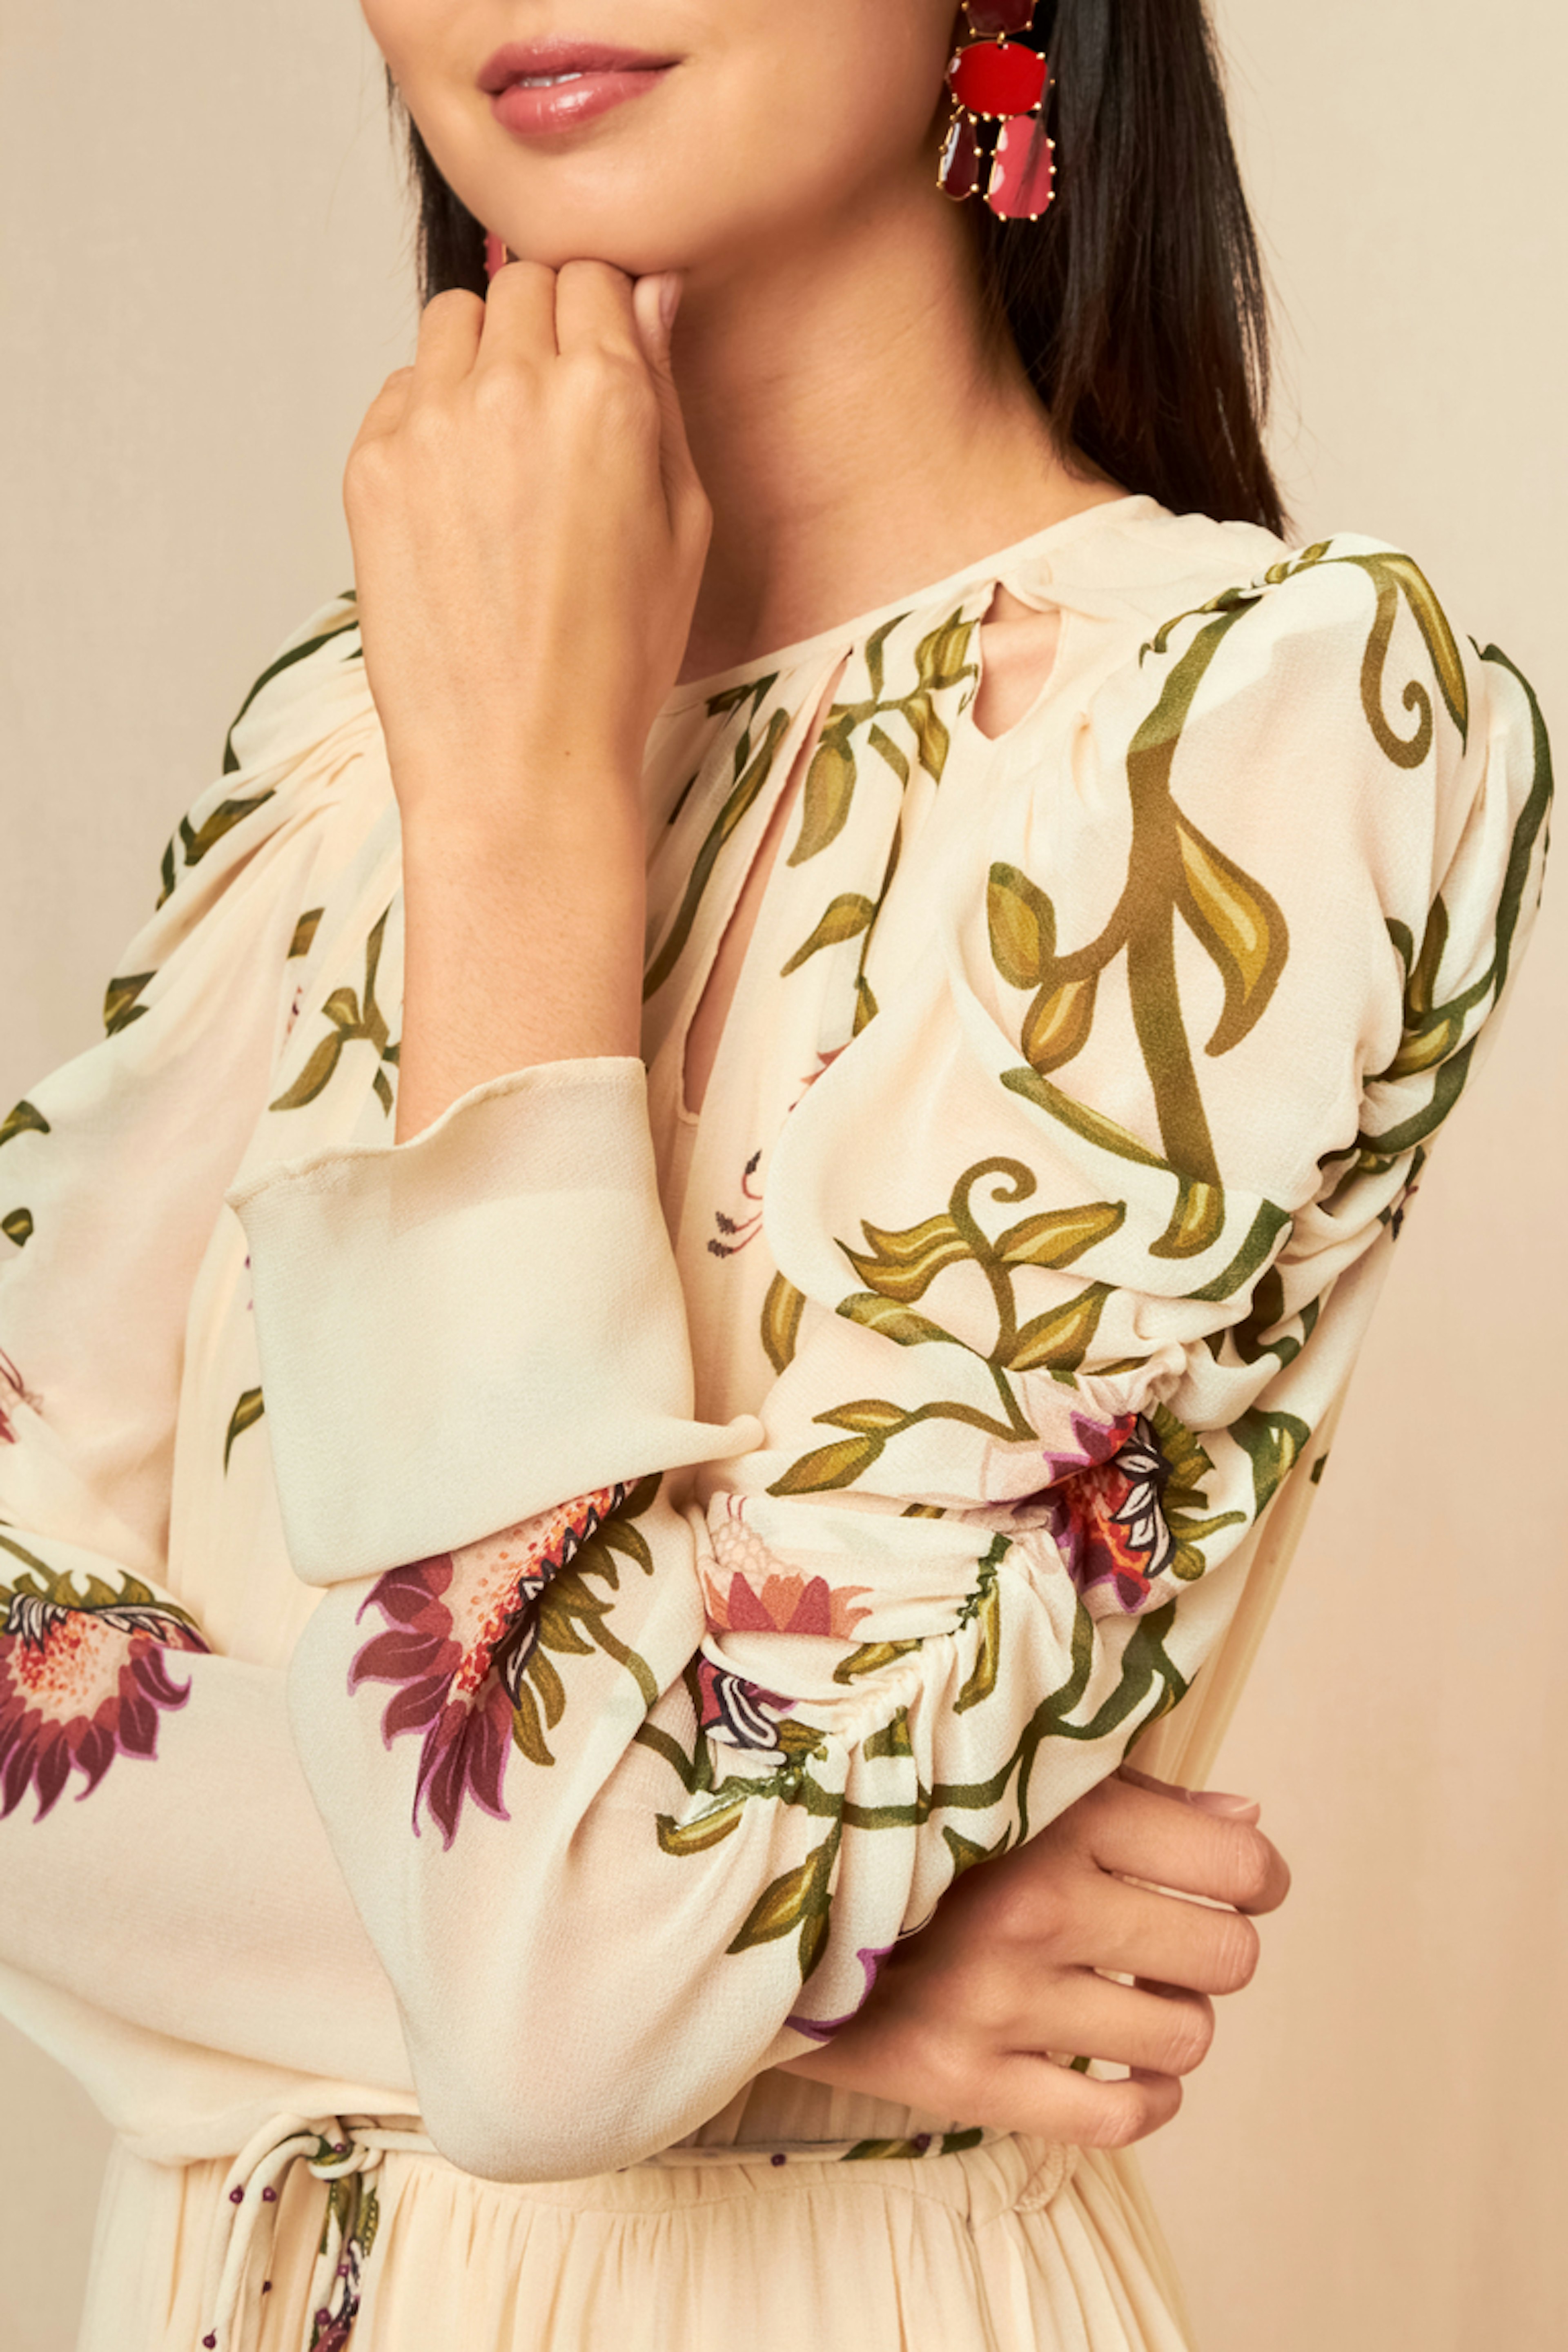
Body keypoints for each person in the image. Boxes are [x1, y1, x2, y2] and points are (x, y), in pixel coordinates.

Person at [0, 1, 1550, 2347]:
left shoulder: (1244, 735)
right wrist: (828, 1981)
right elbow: (572, 1950)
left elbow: (556, 1996)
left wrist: (525, 821)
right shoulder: (351, 729)